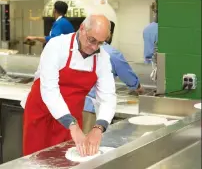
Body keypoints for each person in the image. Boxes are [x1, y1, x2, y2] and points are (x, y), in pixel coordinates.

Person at [22, 14, 116, 157]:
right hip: (41, 113)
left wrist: (98, 128)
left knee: (67, 160)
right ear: (82, 29)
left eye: (100, 43)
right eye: (92, 40)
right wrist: (72, 125)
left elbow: (107, 96)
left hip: (71, 117)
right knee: (36, 160)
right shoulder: (56, 46)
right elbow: (49, 90)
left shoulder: (102, 58)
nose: (94, 47)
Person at [83, 21, 144, 134]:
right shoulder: (112, 53)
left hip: (76, 104)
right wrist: (138, 87)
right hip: (93, 108)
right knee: (90, 144)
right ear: (109, 34)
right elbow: (128, 76)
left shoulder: (83, 48)